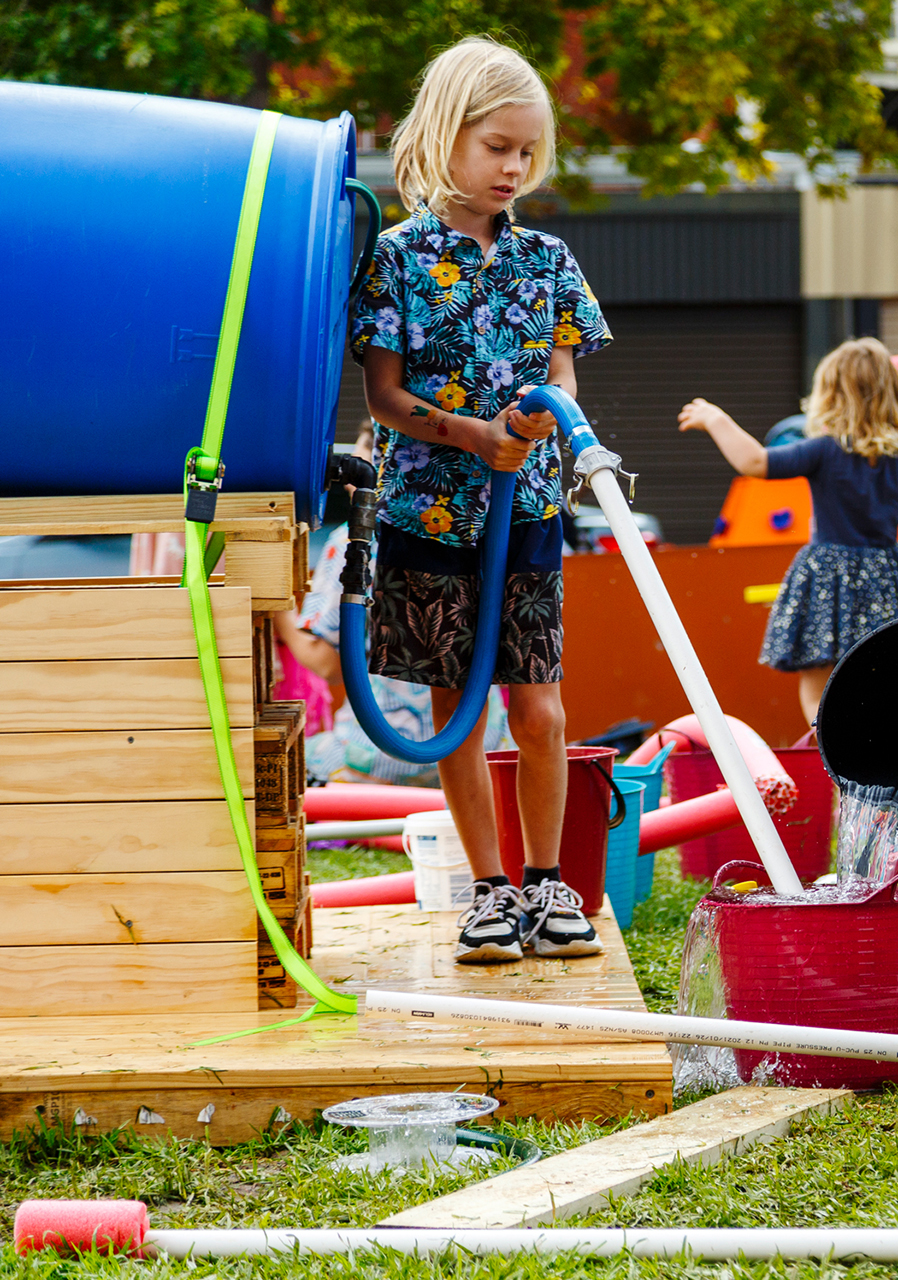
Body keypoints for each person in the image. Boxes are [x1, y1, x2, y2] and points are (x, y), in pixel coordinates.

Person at [351, 36, 612, 964]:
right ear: (445, 135)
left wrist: (545, 419)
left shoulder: (547, 259)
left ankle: (547, 883)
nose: (513, 168)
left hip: (528, 510)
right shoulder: (395, 259)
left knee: (540, 710)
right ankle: (490, 891)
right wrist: (471, 434)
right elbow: (384, 397)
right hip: (427, 513)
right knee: (457, 710)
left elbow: (563, 376)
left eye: (527, 152)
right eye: (497, 146)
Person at [678, 338, 898, 724]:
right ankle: (883, 738)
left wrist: (715, 419)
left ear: (829, 397)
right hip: (887, 577)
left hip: (828, 575)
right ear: (895, 397)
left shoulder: (824, 450)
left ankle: (830, 744)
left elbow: (755, 462)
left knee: (818, 680)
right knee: (889, 670)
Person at [280, 428, 513, 787]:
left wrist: (279, 612)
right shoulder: (475, 527)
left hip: (381, 754)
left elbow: (329, 665)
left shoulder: (353, 540)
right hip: (485, 745)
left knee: (289, 759)